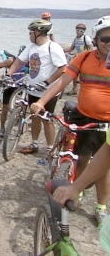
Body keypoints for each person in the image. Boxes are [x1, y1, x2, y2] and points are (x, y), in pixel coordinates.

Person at [31, 15, 110, 228]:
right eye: (105, 39)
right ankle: (79, 190)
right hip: (84, 117)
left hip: (106, 123)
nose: (109, 44)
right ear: (96, 39)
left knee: (104, 168)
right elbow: (62, 81)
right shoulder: (84, 58)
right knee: (82, 159)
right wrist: (42, 101)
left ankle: (101, 207)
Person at [7, 19, 67, 154]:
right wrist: (9, 74)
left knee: (47, 119)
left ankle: (50, 148)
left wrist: (46, 82)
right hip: (33, 90)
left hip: (48, 91)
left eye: (30, 33)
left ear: (37, 33)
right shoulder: (31, 47)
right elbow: (18, 61)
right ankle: (34, 144)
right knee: (34, 116)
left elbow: (62, 68)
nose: (29, 35)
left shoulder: (53, 47)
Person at [0, 46, 29, 137]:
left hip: (20, 87)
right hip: (9, 86)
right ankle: (2, 128)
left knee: (21, 107)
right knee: (5, 108)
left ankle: (20, 123)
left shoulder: (29, 63)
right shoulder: (12, 60)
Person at [64, 22, 94, 95]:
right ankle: (74, 89)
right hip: (77, 58)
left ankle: (86, 90)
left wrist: (84, 54)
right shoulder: (75, 39)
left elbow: (91, 49)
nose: (79, 32)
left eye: (81, 30)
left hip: (85, 58)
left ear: (83, 31)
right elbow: (72, 48)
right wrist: (66, 50)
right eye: (77, 30)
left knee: (84, 75)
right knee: (75, 73)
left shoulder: (86, 38)